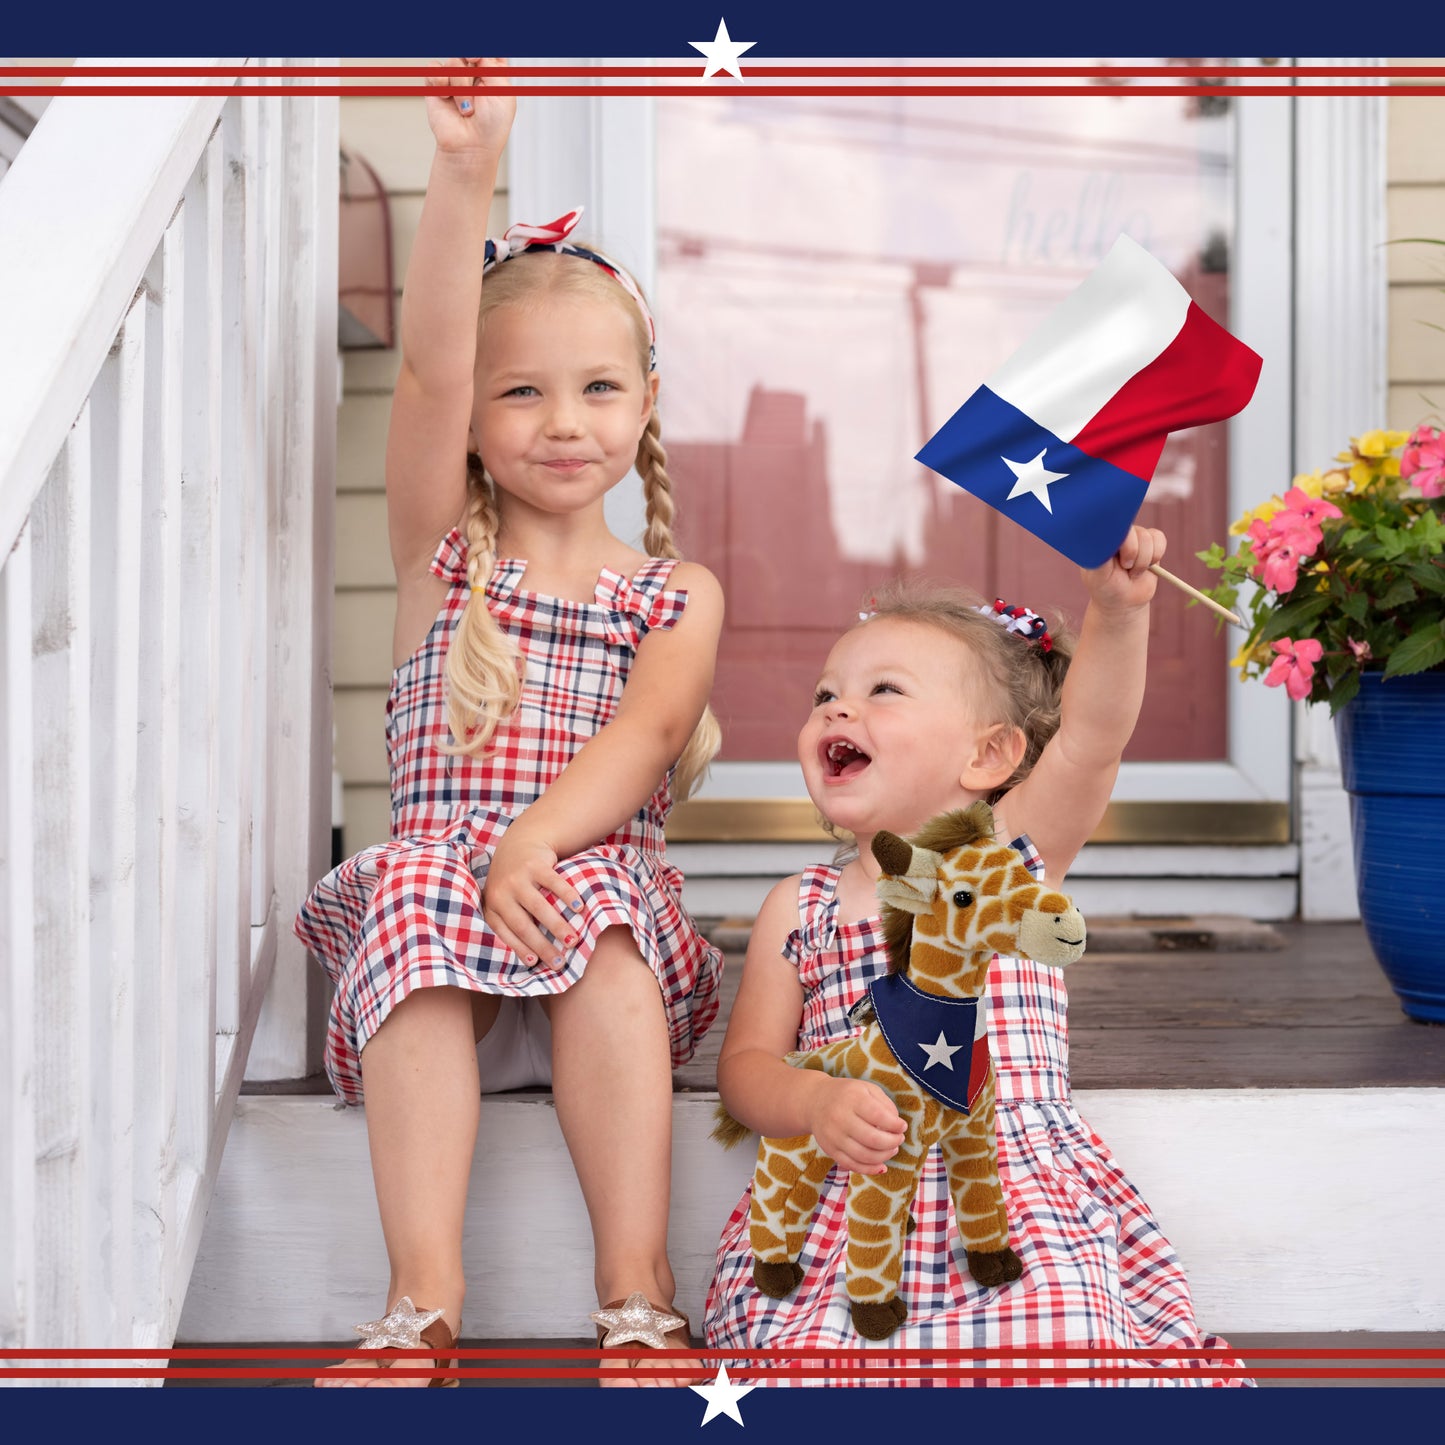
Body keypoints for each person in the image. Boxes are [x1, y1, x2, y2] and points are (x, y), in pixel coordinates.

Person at [297, 58, 724, 1387]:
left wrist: (533, 841)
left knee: (595, 915)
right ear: (476, 424)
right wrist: (465, 172)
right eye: (521, 392)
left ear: (644, 403)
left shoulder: (673, 592)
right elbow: (424, 367)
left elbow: (645, 740)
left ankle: (637, 1290)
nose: (562, 422)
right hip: (449, 898)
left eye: (598, 389)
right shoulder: (442, 557)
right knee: (421, 884)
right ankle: (423, 1297)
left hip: (588, 904)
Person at [704, 527, 1251, 1387]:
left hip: (1005, 1200)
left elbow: (1091, 736)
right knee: (809, 1366)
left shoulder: (1005, 854)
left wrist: (1117, 608)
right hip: (851, 1210)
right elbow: (743, 1069)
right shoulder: (800, 903)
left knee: (1059, 1339)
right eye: (826, 695)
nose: (838, 710)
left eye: (882, 690)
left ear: (988, 753)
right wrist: (811, 1098)